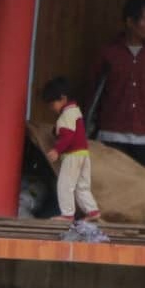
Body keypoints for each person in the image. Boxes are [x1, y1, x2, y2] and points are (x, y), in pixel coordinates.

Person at [90, 0, 145, 169]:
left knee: (143, 189)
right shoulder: (109, 52)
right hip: (112, 132)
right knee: (111, 187)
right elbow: (95, 90)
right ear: (130, 22)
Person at [42, 77, 100, 222]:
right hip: (83, 154)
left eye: (52, 104)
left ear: (62, 98)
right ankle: (93, 211)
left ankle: (67, 214)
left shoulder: (65, 115)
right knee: (82, 186)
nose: (51, 108)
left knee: (64, 184)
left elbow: (67, 136)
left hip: (72, 155)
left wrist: (56, 150)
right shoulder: (76, 111)